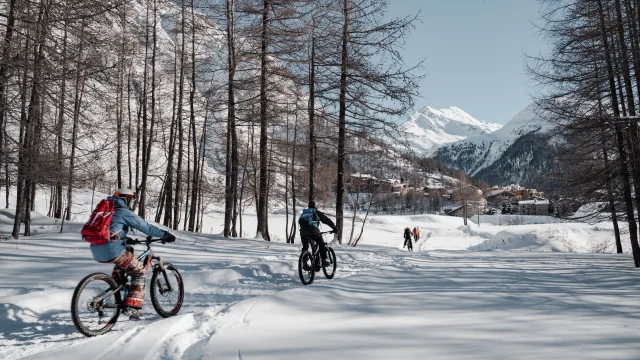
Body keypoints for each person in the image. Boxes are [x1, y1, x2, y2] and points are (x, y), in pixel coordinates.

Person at [88, 187, 175, 321]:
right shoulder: (123, 212)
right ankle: (132, 307)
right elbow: (146, 228)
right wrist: (165, 235)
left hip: (96, 249)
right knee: (139, 272)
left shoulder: (107, 211)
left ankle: (117, 286)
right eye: (130, 200)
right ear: (125, 199)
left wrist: (124, 237)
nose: (131, 203)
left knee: (128, 251)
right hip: (112, 249)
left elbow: (110, 229)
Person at [299, 200, 338, 266]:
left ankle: (304, 262)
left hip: (303, 232)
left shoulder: (304, 213)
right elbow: (326, 220)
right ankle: (323, 260)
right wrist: (334, 228)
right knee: (321, 243)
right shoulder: (316, 212)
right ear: (315, 206)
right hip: (313, 231)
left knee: (305, 247)